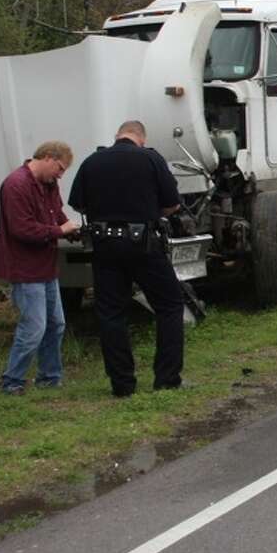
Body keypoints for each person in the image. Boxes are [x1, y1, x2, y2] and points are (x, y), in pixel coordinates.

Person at [69, 121, 185, 397]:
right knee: (169, 305)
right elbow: (172, 204)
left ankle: (122, 385)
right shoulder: (151, 158)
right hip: (143, 244)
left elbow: (77, 203)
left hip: (105, 245)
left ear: (117, 136)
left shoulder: (92, 161)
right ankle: (166, 379)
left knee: (110, 313)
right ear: (141, 139)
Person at [0, 141, 80, 395]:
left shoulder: (48, 184)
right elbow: (21, 230)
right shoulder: (16, 185)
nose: (61, 174)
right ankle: (12, 381)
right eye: (60, 168)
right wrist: (59, 231)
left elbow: (57, 213)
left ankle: (49, 377)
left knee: (56, 324)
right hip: (24, 268)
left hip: (46, 266)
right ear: (47, 157)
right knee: (34, 328)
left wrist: (71, 229)